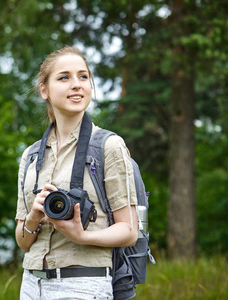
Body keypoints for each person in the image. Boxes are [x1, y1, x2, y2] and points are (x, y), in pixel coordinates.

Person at [15, 46, 139, 300]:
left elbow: (129, 231)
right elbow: (23, 242)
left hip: (83, 284)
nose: (77, 85)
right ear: (44, 90)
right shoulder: (31, 156)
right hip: (30, 285)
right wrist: (34, 218)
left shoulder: (108, 146)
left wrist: (81, 236)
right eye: (64, 77)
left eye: (83, 76)